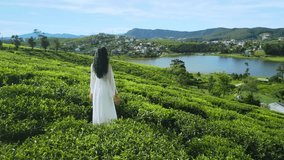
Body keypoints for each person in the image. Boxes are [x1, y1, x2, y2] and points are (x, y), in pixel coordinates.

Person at [90, 47, 119, 124]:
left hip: (97, 88)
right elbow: (111, 81)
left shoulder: (93, 65)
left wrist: (91, 92)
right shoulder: (108, 66)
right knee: (107, 106)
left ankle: (99, 123)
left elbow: (92, 81)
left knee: (98, 106)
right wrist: (115, 94)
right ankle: (109, 124)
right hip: (106, 88)